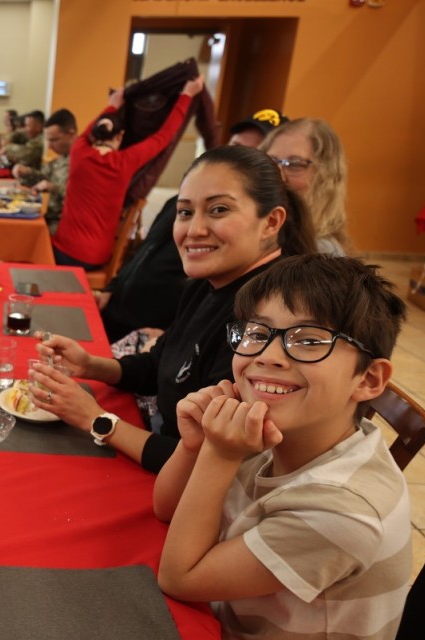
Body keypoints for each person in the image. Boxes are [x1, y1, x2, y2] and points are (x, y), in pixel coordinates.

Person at [154, 254, 410, 640]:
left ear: (369, 380)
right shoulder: (278, 428)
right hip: (225, 639)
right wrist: (196, 445)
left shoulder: (343, 509)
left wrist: (220, 457)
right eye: (257, 334)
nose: (269, 356)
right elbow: (166, 509)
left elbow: (179, 577)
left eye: (309, 340)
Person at [28, 145, 316, 474]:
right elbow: (160, 365)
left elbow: (204, 463)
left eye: (219, 210)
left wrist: (95, 419)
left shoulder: (268, 322)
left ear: (271, 222)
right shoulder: (208, 283)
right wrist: (91, 365)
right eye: (185, 212)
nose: (194, 230)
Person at [98, 108, 281, 344]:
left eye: (219, 210)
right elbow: (146, 250)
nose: (195, 230)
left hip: (142, 331)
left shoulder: (247, 308)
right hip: (120, 320)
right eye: (235, 147)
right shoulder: (200, 288)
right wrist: (112, 287)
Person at [53, 76, 204, 269]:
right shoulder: (125, 161)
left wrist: (112, 106)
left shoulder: (79, 152)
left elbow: (88, 131)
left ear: (94, 134)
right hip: (96, 257)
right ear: (120, 135)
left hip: (63, 252)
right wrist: (186, 95)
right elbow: (164, 136)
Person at [262, 118, 351, 255]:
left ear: (325, 176)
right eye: (271, 161)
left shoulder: (322, 254)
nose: (278, 174)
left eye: (295, 164)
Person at [13, 109, 74, 234]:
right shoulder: (61, 158)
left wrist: (53, 187)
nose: (50, 146)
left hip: (64, 225)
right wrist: (25, 172)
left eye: (54, 140)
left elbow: (82, 198)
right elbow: (43, 178)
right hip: (48, 216)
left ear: (70, 134)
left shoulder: (82, 161)